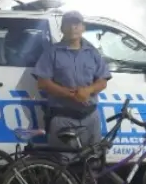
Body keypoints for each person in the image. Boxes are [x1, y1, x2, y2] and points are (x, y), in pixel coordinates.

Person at [32, 10, 111, 149]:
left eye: (76, 24)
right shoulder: (51, 53)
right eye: (68, 24)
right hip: (63, 118)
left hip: (91, 118)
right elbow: (43, 83)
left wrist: (88, 90)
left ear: (83, 28)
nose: (72, 27)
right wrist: (71, 95)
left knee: (93, 158)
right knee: (64, 159)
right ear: (62, 28)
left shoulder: (93, 53)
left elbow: (102, 80)